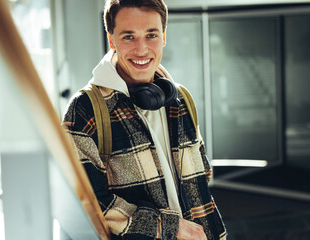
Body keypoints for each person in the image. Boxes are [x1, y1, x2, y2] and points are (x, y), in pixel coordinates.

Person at [63, 0, 226, 239]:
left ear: (164, 37)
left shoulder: (180, 98)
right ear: (111, 40)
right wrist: (170, 227)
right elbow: (89, 203)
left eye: (151, 35)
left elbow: (202, 180)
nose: (141, 49)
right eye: (129, 37)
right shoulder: (85, 109)